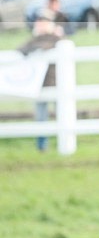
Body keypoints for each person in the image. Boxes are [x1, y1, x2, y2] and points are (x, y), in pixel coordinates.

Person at [18, 9, 64, 151]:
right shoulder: (34, 40)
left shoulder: (57, 39)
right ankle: (42, 146)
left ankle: (63, 142)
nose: (41, 25)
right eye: (39, 22)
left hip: (56, 83)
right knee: (41, 117)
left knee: (62, 114)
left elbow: (47, 47)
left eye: (44, 22)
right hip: (40, 85)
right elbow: (21, 50)